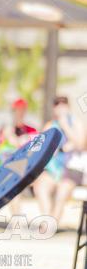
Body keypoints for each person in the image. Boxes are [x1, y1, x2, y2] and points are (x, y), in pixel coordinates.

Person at [34, 96, 85, 228]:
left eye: (63, 104)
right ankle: (47, 222)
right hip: (54, 169)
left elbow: (80, 144)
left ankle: (51, 226)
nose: (60, 108)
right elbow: (42, 148)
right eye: (57, 105)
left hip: (72, 169)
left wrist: (65, 126)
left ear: (68, 107)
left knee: (62, 192)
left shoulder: (76, 123)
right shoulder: (50, 125)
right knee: (40, 186)